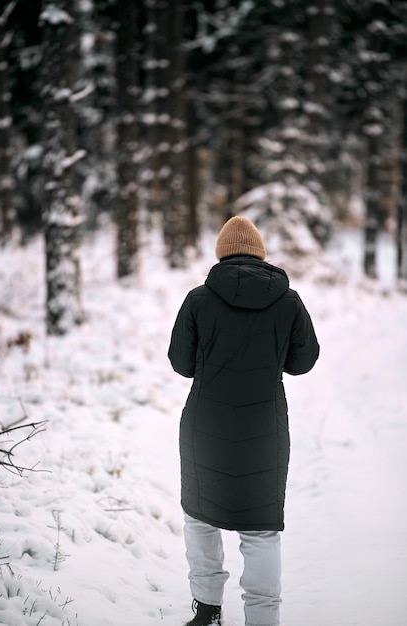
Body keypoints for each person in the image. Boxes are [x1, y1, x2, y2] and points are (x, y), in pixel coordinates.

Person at [168, 216, 320, 626]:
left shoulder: (199, 299)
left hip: (205, 428)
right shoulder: (288, 301)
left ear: (221, 253)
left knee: (200, 519)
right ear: (260, 254)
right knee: (261, 530)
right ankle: (262, 620)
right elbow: (303, 362)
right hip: (264, 432)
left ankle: (208, 613)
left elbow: (181, 364)